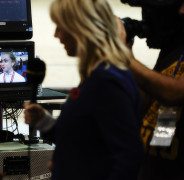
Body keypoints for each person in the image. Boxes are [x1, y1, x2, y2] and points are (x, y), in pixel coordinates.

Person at [23, 0, 144, 179]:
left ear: (81, 28)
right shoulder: (95, 76)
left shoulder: (107, 81)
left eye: (60, 27)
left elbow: (129, 157)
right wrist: (45, 122)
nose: (56, 35)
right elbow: (84, 139)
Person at [117, 1, 184, 180]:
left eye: (152, 9)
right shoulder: (171, 51)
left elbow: (174, 94)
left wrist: (125, 59)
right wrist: (125, 51)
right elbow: (143, 105)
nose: (146, 17)